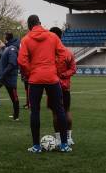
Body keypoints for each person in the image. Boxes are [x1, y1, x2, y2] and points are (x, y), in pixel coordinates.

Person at [18, 15, 71, 153]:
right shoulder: (52, 37)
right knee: (60, 110)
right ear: (40, 23)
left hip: (35, 79)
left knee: (34, 111)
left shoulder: (26, 39)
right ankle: (64, 145)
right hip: (52, 78)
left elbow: (22, 61)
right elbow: (63, 55)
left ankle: (36, 146)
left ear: (29, 26)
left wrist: (30, 73)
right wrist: (56, 70)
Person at [49, 27, 77, 146]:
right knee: (66, 111)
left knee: (56, 113)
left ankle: (58, 138)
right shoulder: (68, 52)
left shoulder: (48, 53)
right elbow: (73, 69)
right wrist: (64, 75)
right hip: (65, 87)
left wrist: (58, 76)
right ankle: (69, 137)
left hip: (53, 86)